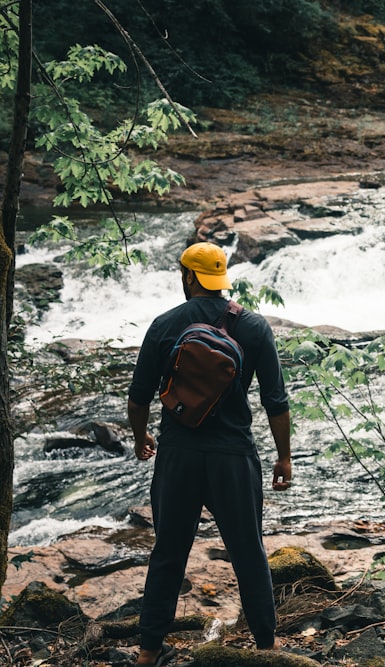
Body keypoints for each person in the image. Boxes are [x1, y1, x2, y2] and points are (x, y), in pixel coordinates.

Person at [127, 242, 292, 666]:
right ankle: (267, 647)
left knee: (169, 551)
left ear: (188, 277)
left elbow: (139, 394)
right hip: (233, 455)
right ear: (220, 279)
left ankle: (148, 652)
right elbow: (276, 399)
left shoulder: (165, 325)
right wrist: (284, 456)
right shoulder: (253, 327)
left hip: (178, 454)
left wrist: (141, 435)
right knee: (248, 550)